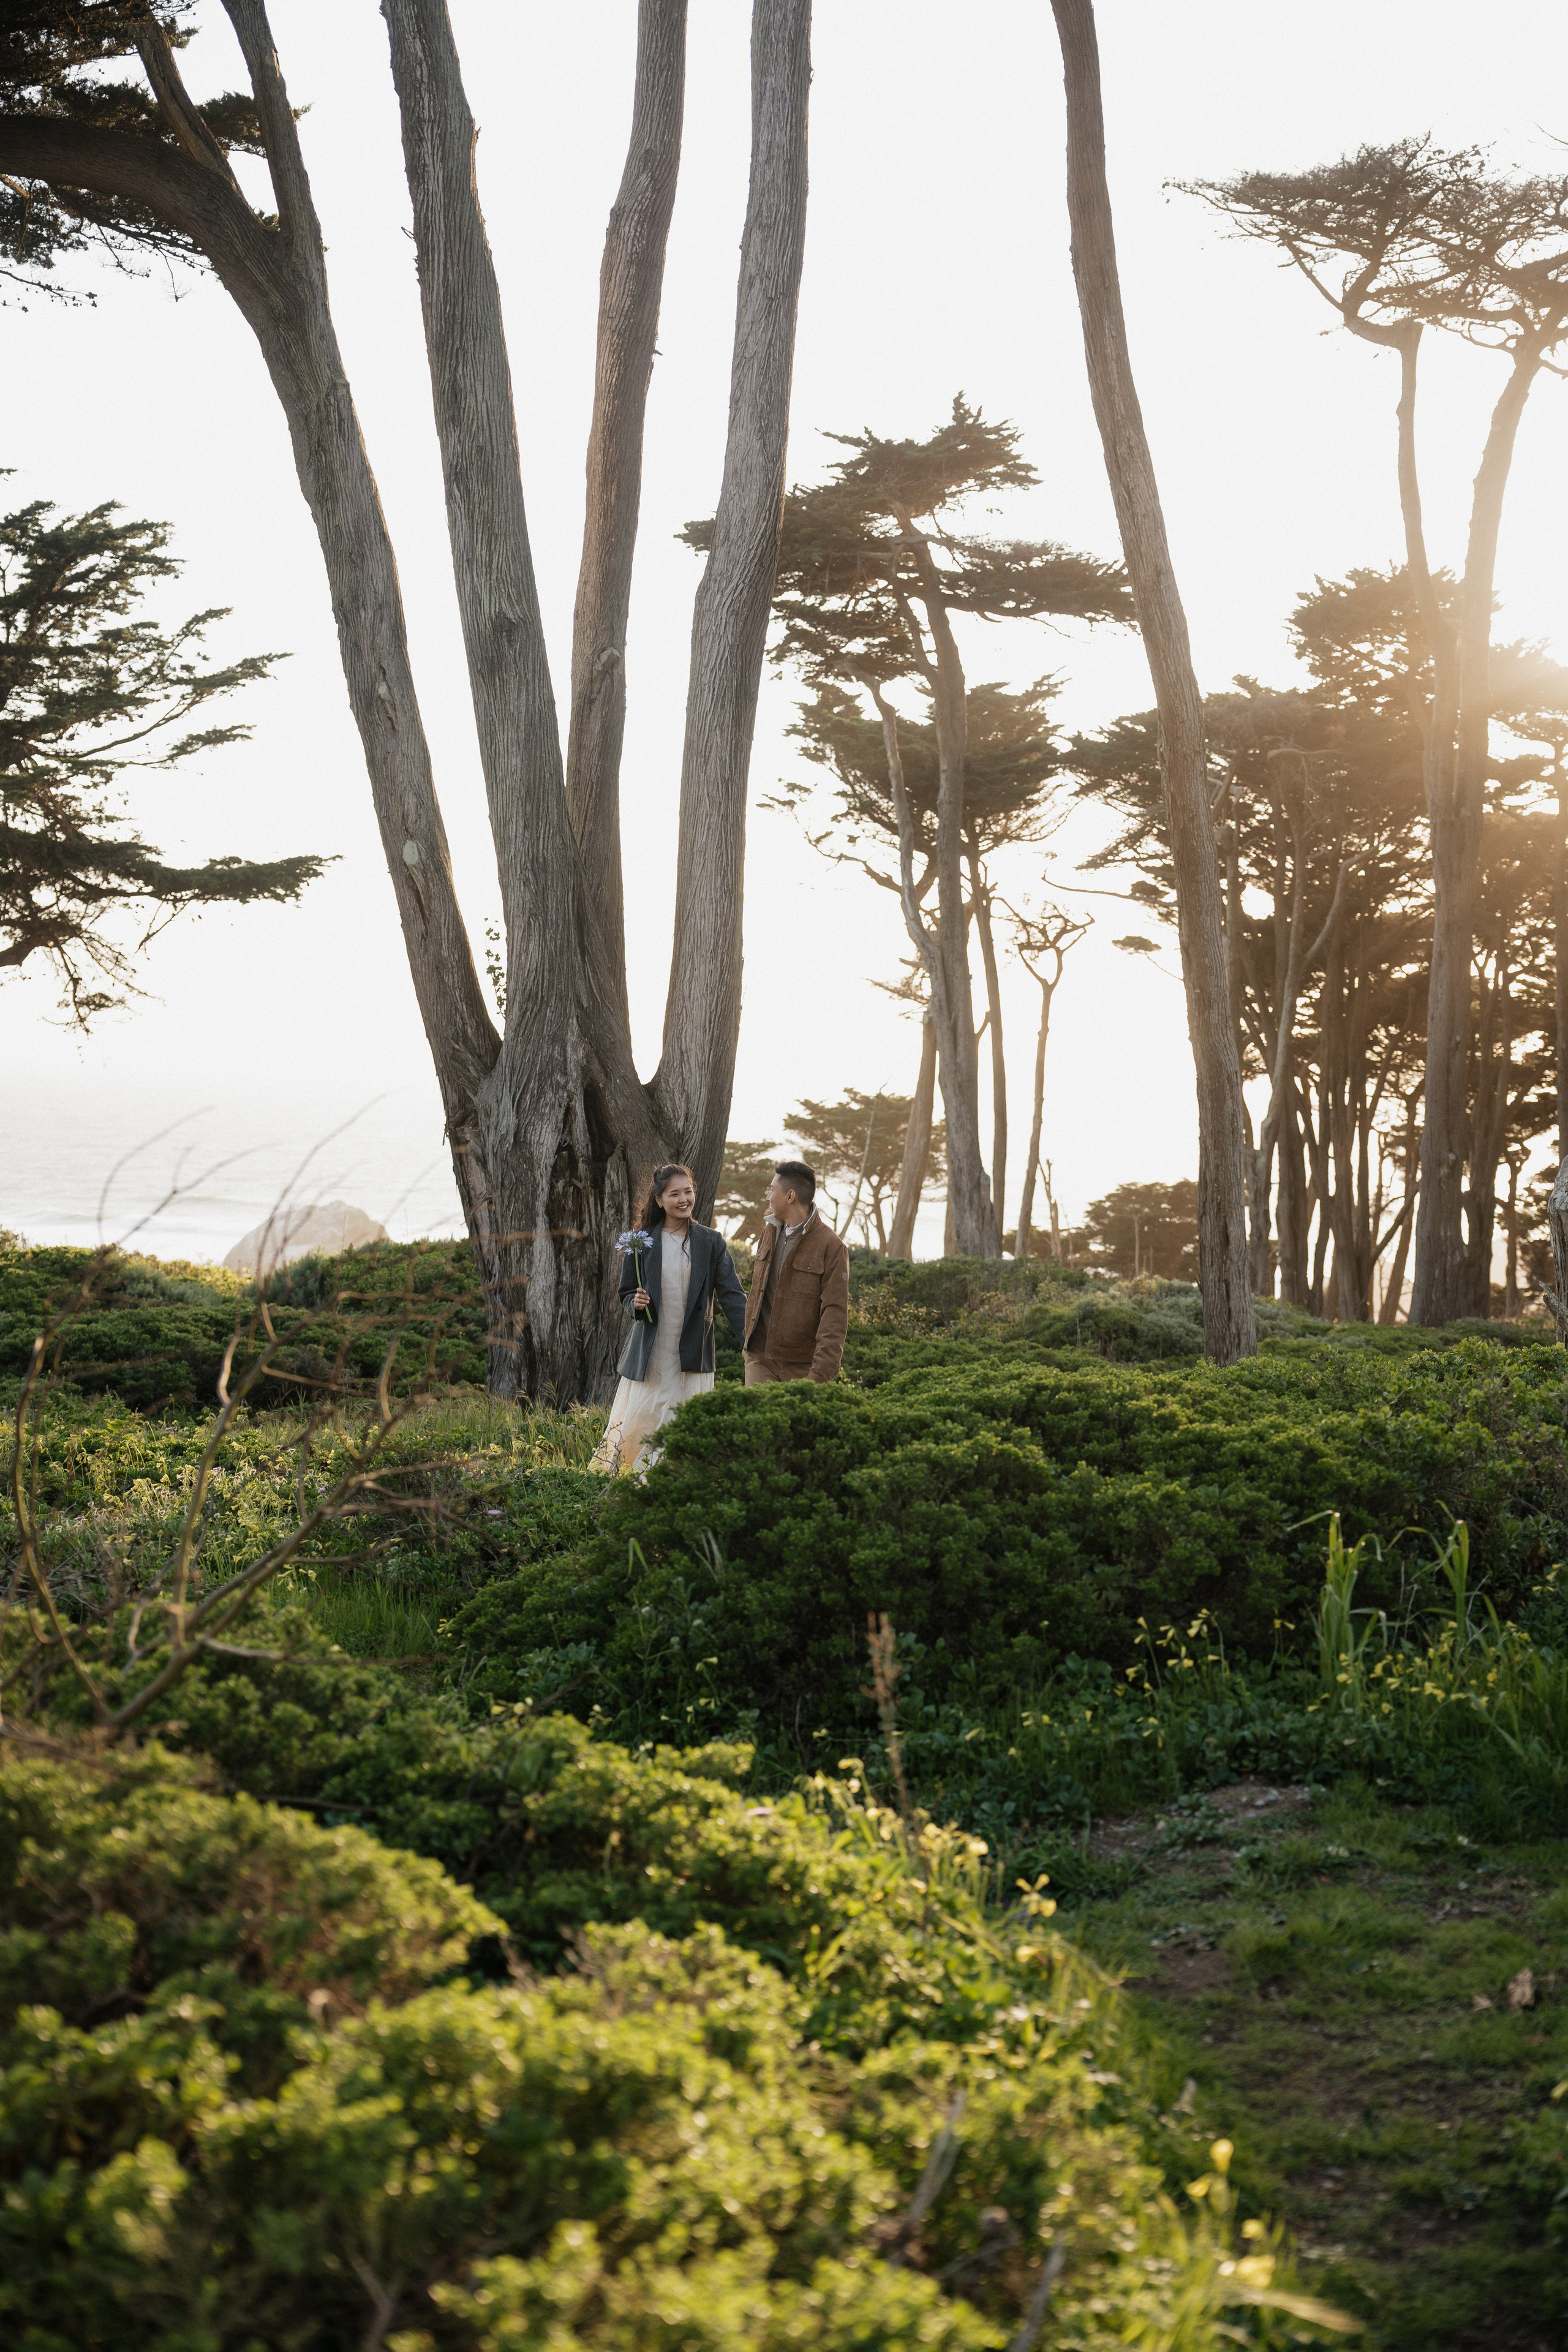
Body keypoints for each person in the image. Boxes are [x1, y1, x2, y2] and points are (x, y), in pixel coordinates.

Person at [593, 1162, 748, 1474]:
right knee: (648, 1415)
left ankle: (672, 1479)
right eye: (674, 1194)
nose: (683, 1200)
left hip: (693, 1349)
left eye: (688, 1192)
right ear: (659, 1200)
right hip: (653, 1349)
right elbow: (626, 1292)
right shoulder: (640, 1241)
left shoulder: (711, 1241)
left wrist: (752, 1339)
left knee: (684, 1416)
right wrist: (636, 1304)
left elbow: (732, 1295)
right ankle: (633, 1478)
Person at [742, 1159, 850, 1384]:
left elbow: (835, 1313)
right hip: (760, 1358)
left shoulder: (832, 1246)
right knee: (757, 1409)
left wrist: (820, 1374)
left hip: (803, 1367)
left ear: (790, 1196)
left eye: (772, 1190)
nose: (768, 1197)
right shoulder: (768, 1233)